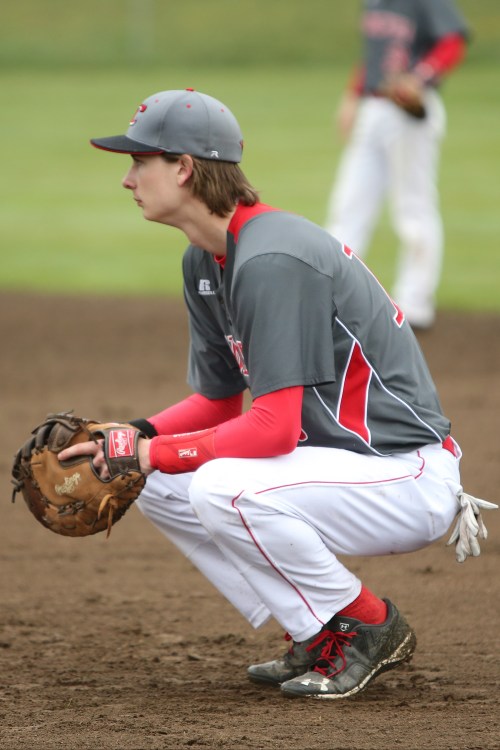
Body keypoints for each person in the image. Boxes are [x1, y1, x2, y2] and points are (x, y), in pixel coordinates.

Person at [59, 88, 496, 700]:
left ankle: (368, 625)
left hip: (402, 473)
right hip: (341, 466)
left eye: (140, 161)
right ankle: (317, 633)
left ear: (184, 168)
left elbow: (273, 429)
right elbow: (217, 401)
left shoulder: (271, 257)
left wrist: (152, 451)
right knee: (153, 476)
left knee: (217, 485)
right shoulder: (206, 261)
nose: (128, 179)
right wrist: (132, 435)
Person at [324, 0, 470, 330]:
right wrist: (352, 97)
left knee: (413, 208)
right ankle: (331, 295)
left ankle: (415, 306)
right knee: (348, 205)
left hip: (409, 112)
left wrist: (419, 78)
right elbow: (375, 56)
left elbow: (452, 42)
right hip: (373, 109)